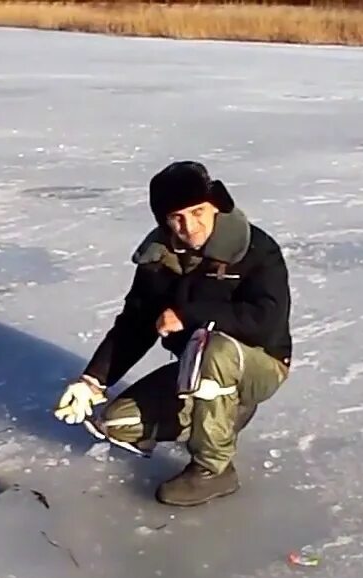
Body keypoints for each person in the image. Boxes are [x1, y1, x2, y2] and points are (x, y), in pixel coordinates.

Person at [52, 160, 293, 507]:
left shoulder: (256, 250)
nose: (190, 226)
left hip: (261, 363)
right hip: (196, 366)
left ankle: (214, 468)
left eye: (198, 212)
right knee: (118, 423)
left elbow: (266, 319)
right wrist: (93, 380)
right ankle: (221, 413)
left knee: (215, 348)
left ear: (215, 207)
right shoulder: (159, 259)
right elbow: (136, 324)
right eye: (177, 217)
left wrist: (188, 314)